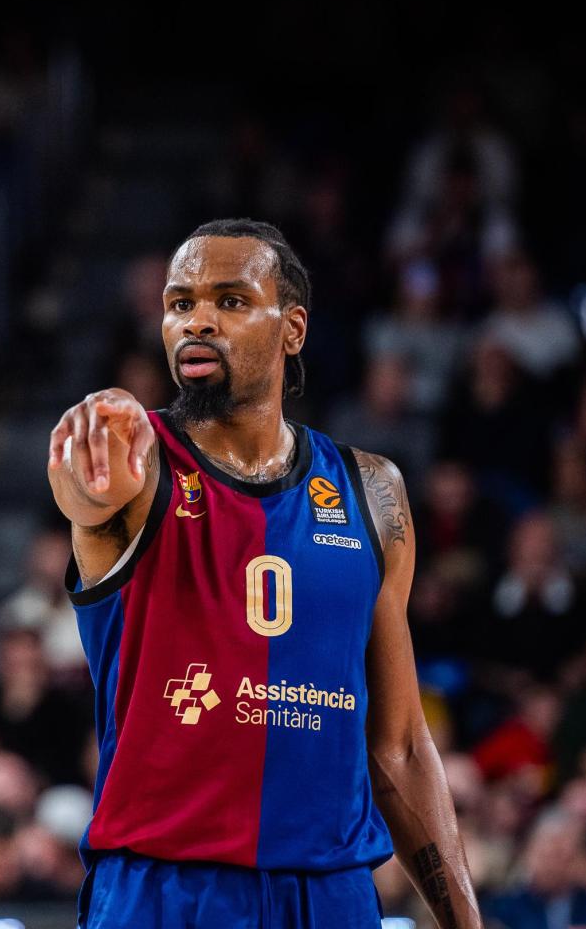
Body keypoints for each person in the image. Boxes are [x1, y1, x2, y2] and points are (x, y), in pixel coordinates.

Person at [47, 218, 480, 926]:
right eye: (180, 303)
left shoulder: (371, 491)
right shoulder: (138, 464)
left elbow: (399, 746)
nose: (199, 321)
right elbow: (85, 492)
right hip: (165, 891)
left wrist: (465, 920)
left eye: (231, 301)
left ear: (294, 329)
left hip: (330, 892)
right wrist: (94, 440)